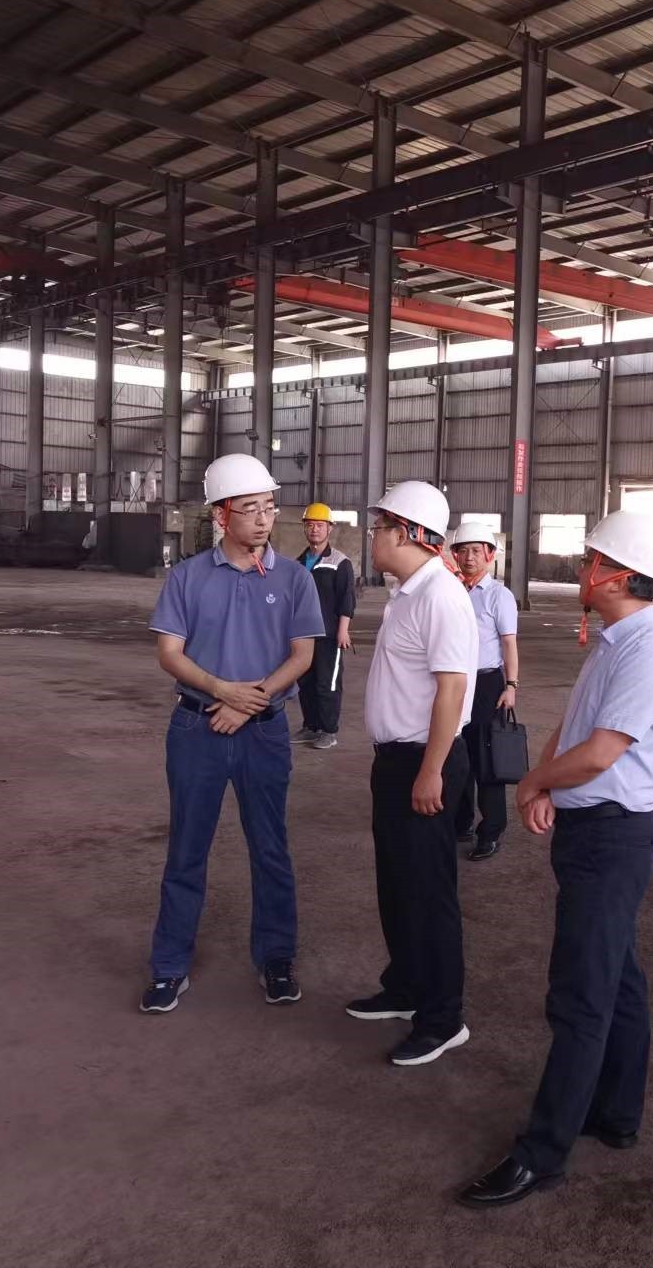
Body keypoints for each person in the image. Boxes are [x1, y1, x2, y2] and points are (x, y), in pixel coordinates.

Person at [458, 510, 653, 1208]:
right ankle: (616, 1113)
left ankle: (543, 1152)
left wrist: (533, 781)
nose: (583, 571)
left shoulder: (648, 652)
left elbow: (602, 753)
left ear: (617, 577)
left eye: (591, 562)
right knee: (619, 980)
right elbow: (575, 725)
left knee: (580, 995)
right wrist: (548, 782)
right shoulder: (616, 641)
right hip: (594, 830)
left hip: (613, 839)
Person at [141, 453, 325, 1013]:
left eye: (269, 507)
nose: (265, 519)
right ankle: (169, 967)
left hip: (263, 732)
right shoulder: (188, 577)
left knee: (270, 849)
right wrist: (222, 690)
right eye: (251, 509)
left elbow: (303, 655)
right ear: (222, 515)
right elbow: (169, 653)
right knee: (186, 850)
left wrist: (249, 703)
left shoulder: (295, 579)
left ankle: (277, 958)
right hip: (196, 728)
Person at [345, 482, 479, 1067]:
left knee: (428, 894)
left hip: (427, 761)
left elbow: (452, 690)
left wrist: (432, 771)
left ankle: (443, 1019)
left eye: (378, 528)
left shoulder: (441, 596)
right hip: (396, 761)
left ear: (404, 533)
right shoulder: (408, 593)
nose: (372, 537)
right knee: (397, 885)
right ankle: (404, 987)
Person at [449, 519, 520, 862]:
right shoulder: (451, 591)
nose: (469, 557)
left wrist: (511, 685)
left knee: (487, 759)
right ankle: (461, 822)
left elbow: (509, 643)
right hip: (455, 682)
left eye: (476, 551)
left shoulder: (498, 596)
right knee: (457, 753)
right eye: (463, 551)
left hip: (487, 684)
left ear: (490, 555)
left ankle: (490, 831)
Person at [293, 502, 356, 751]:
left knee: (327, 683)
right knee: (306, 682)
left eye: (319, 525)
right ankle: (311, 727)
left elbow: (346, 598)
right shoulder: (299, 563)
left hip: (329, 635)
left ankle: (328, 731)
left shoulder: (340, 562)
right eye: (310, 525)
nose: (314, 529)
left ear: (329, 529)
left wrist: (343, 630)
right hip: (303, 635)